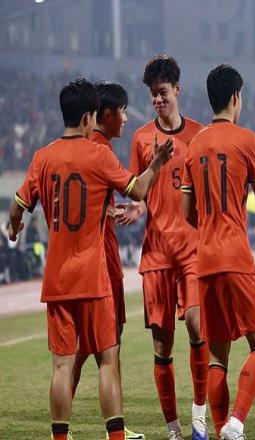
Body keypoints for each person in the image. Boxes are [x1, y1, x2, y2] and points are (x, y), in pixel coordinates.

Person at [8, 78, 173, 440]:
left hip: (57, 280)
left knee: (61, 366)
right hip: (93, 278)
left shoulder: (42, 157)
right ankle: (116, 436)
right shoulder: (99, 156)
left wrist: (13, 228)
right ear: (88, 117)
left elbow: (18, 206)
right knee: (108, 361)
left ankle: (60, 437)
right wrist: (157, 163)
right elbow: (138, 190)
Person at [182, 64, 255, 440]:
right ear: (235, 98)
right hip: (237, 258)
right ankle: (237, 422)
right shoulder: (246, 140)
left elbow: (187, 213)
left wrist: (211, 225)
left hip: (205, 260)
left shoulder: (194, 145)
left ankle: (223, 429)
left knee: (217, 356)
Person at [115, 55, 209, 440]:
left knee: (197, 327)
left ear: (178, 90)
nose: (158, 99)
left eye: (163, 92)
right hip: (156, 253)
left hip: (192, 250)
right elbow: (140, 190)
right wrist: (138, 208)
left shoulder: (199, 135)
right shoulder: (141, 139)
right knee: (161, 344)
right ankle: (173, 429)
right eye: (153, 94)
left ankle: (199, 417)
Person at [68, 81, 143, 440]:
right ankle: (107, 426)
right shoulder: (99, 149)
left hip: (94, 257)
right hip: (101, 259)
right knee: (101, 346)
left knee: (93, 346)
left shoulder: (89, 147)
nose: (126, 119)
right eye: (123, 112)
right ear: (107, 114)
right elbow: (136, 187)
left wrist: (114, 209)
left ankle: (88, 424)